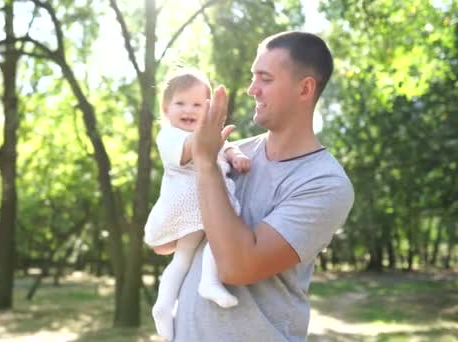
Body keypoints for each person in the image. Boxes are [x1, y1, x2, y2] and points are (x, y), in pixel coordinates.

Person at [169, 31, 355, 341]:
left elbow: (237, 267)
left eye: (265, 79)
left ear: (304, 88)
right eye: (254, 77)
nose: (251, 89)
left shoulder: (325, 183)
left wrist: (204, 162)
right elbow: (170, 241)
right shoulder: (230, 154)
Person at [144, 68, 251, 341]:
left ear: (208, 109)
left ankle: (164, 305)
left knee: (182, 259)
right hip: (189, 202)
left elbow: (225, 147)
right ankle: (209, 281)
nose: (188, 110)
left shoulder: (208, 134)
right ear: (166, 109)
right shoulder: (168, 136)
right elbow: (195, 147)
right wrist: (212, 134)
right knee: (226, 227)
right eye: (180, 103)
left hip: (196, 205)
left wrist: (235, 154)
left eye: (197, 104)